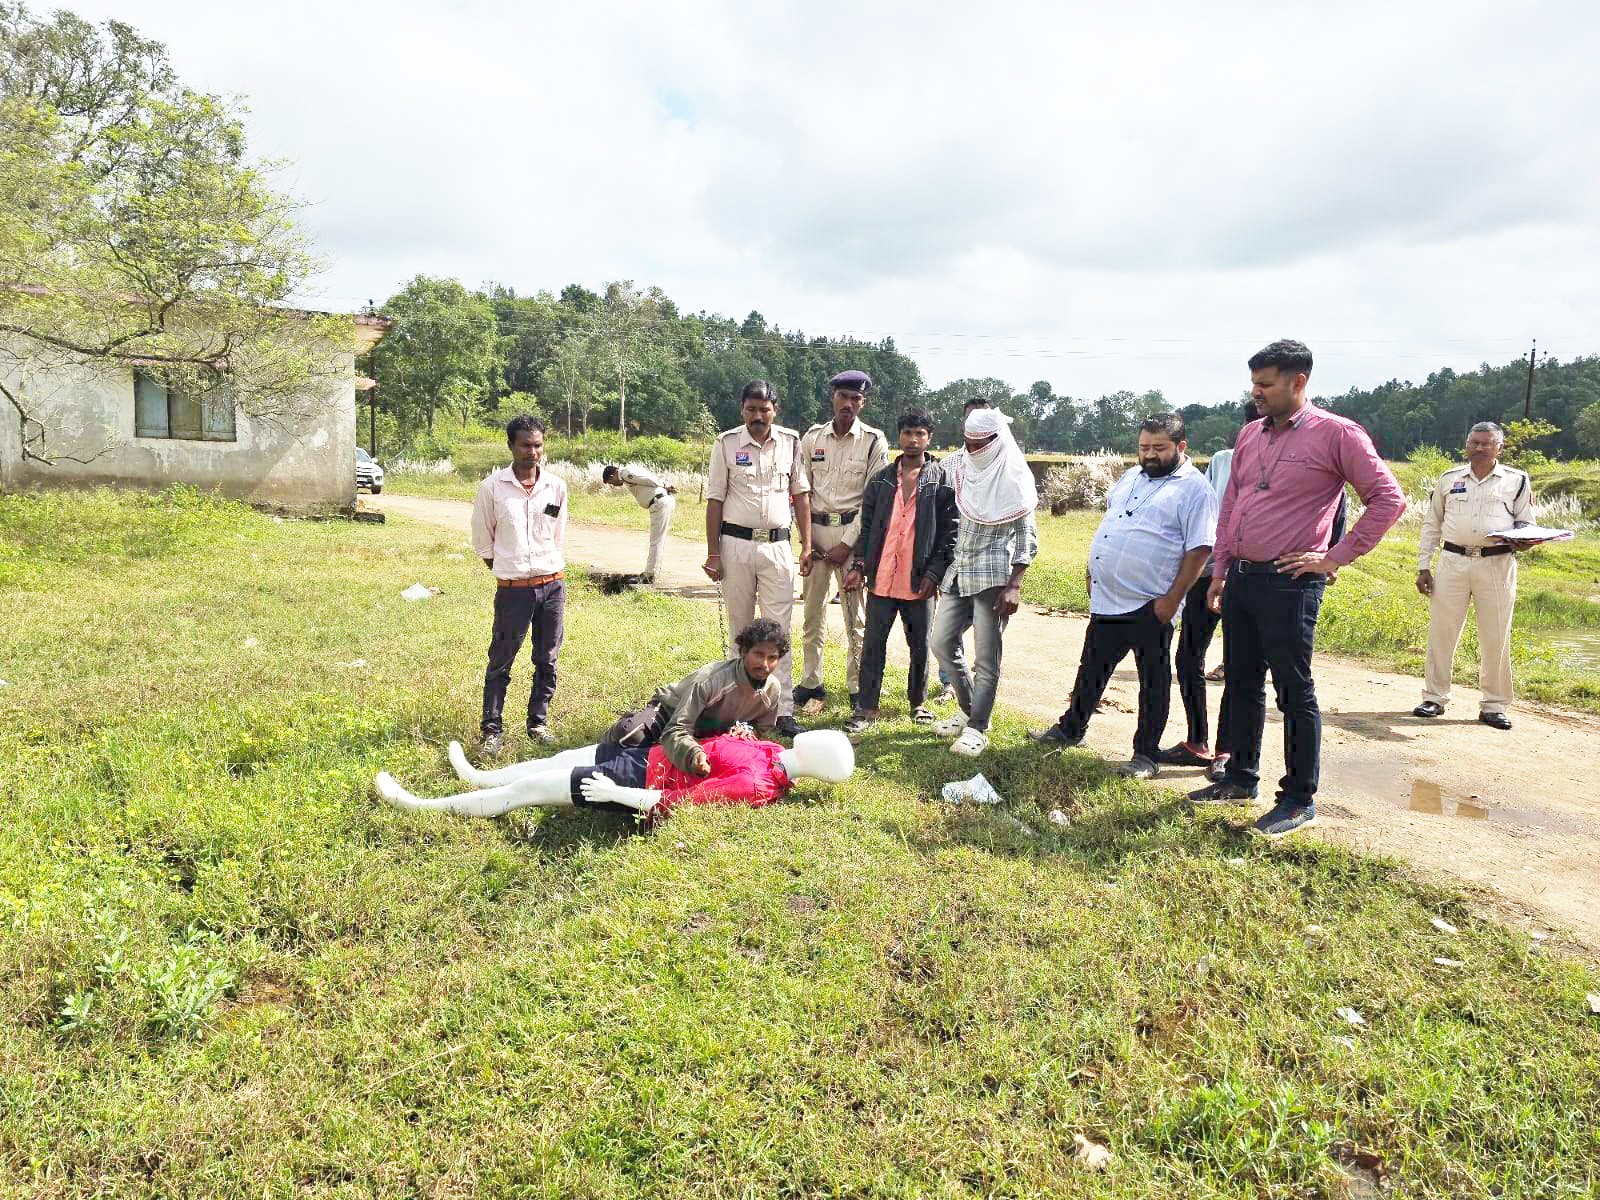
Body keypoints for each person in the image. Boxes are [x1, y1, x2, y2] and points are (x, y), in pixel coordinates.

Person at [1190, 340, 1405, 837]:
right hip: (1242, 577)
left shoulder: (1337, 435)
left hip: (1291, 584)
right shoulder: (1249, 434)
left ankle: (1298, 798)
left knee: (1292, 690)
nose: (1256, 392)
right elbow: (1232, 505)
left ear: (1298, 382)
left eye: (1265, 384)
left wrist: (1334, 558)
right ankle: (1240, 778)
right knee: (1242, 681)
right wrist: (1221, 569)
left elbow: (1387, 497)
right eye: (1254, 384)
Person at [1030, 414, 1217, 777]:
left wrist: (1170, 601)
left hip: (1152, 604)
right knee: (1092, 669)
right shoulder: (1132, 476)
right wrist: (1092, 569)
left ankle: (1145, 755)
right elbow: (1113, 522)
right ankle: (1071, 729)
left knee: (1153, 680)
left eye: (1158, 448)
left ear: (1181, 447)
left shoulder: (1195, 490)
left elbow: (1199, 550)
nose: (1148, 455)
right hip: (1107, 599)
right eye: (1143, 447)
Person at [450, 618, 787, 791]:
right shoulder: (713, 680)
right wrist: (692, 753)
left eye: (773, 657)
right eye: (758, 654)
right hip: (670, 719)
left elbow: (762, 732)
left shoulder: (772, 690)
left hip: (708, 735)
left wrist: (741, 739)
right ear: (743, 652)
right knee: (631, 739)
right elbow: (677, 730)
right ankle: (598, 753)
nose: (765, 664)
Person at [376, 729, 855, 824]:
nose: (818, 735)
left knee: (529, 792)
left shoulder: (758, 785)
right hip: (644, 756)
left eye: (825, 742)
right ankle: (478, 776)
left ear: (820, 765)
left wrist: (616, 794)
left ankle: (421, 806)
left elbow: (681, 805)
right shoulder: (772, 750)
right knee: (553, 759)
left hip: (636, 785)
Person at [703, 380, 812, 738]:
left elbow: (802, 496)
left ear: (774, 410)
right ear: (742, 410)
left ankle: (782, 711)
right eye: (751, 409)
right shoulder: (726, 443)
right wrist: (713, 553)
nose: (757, 416)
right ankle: (738, 707)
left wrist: (806, 545)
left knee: (779, 631)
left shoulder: (791, 443)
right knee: (740, 629)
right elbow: (715, 500)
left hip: (777, 548)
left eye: (764, 409)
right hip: (735, 546)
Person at [842, 406, 959, 736]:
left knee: (920, 645)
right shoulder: (880, 480)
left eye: (919, 433)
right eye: (907, 433)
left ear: (929, 438)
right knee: (873, 646)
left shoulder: (940, 480)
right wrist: (860, 566)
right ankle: (866, 707)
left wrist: (933, 574)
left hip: (919, 582)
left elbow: (950, 534)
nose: (913, 439)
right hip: (881, 581)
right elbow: (867, 530)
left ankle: (917, 703)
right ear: (899, 436)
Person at [930, 407, 1039, 757]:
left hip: (993, 577)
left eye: (980, 444)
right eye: (968, 442)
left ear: (996, 440)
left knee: (986, 658)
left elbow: (1027, 536)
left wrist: (1015, 584)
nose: (973, 450)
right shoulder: (960, 464)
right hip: (959, 572)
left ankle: (978, 726)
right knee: (942, 642)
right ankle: (967, 709)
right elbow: (932, 474)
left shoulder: (1014, 477)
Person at [1412, 422, 1535, 730]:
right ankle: (1434, 698)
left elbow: (1525, 523)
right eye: (1474, 442)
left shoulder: (1516, 480)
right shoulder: (1449, 480)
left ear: (1500, 448)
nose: (1480, 448)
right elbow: (1431, 524)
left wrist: (1523, 537)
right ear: (1466, 445)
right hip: (1452, 560)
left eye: (1487, 443)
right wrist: (1423, 565)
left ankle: (1494, 706)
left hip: (1496, 563)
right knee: (1442, 632)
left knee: (1495, 635)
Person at [471, 414, 569, 756]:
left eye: (538, 445)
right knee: (501, 659)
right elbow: (485, 544)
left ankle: (538, 723)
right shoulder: (492, 488)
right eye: (525, 445)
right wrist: (514, 572)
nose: (533, 452)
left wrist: (542, 570)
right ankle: (491, 730)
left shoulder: (555, 487)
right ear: (511, 445)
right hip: (513, 590)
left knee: (547, 658)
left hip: (553, 585)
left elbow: (557, 536)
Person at [794, 369, 890, 715]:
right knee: (812, 615)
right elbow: (800, 491)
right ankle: (810, 682)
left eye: (855, 399)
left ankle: (857, 686)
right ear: (832, 398)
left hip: (853, 537)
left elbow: (874, 499)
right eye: (842, 397)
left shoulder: (874, 441)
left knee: (856, 620)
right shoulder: (812, 438)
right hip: (817, 536)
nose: (848, 404)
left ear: (863, 402)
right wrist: (807, 542)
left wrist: (848, 545)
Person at [929, 397, 993, 704]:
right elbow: (940, 517)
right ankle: (951, 685)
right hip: (953, 560)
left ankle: (978, 707)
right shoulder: (948, 465)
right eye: (970, 420)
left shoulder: (1005, 464)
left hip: (989, 566)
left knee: (986, 642)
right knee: (944, 633)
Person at [601, 463, 677, 582]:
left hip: (660, 503)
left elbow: (649, 479)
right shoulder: (627, 472)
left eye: (611, 483)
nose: (614, 485)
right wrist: (665, 485)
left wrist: (664, 485)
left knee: (656, 541)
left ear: (612, 476)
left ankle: (650, 574)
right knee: (657, 540)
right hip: (660, 502)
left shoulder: (625, 474)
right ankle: (652, 572)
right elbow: (649, 478)